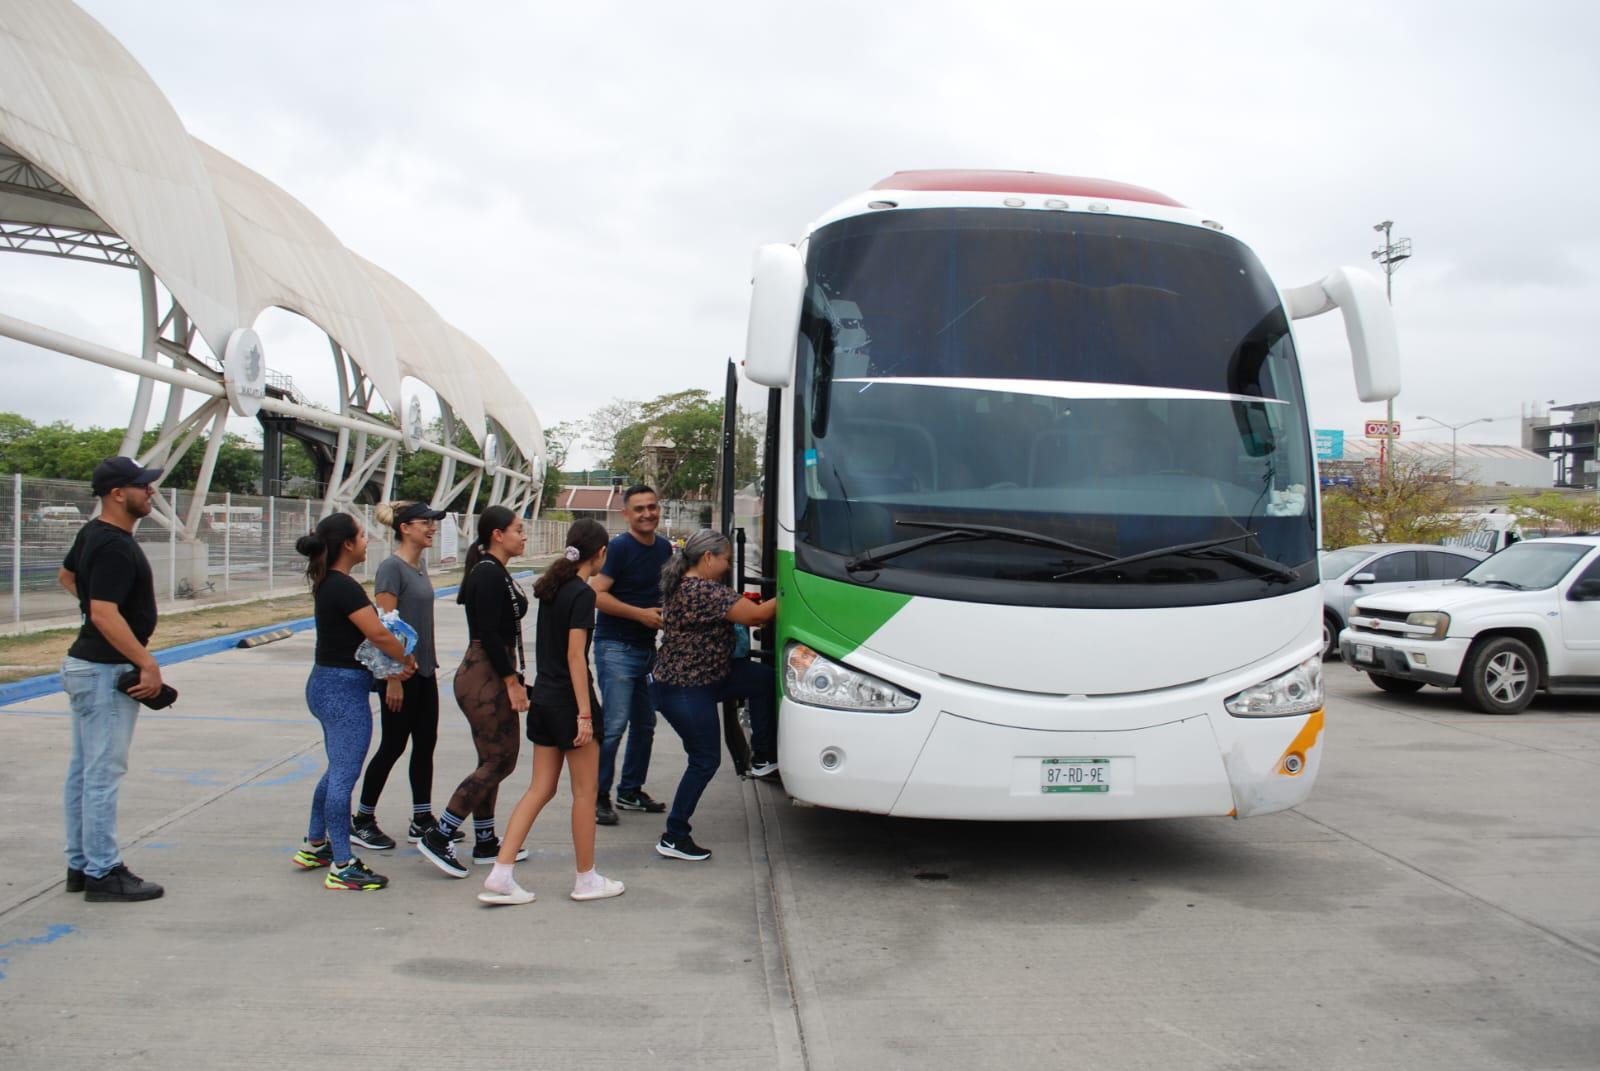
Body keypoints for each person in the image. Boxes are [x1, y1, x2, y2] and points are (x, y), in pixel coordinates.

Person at [481, 519, 624, 905]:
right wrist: (584, 715)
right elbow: (576, 658)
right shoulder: (582, 594)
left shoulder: (552, 589)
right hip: (568, 703)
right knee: (585, 792)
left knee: (539, 788)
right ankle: (586, 878)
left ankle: (501, 872)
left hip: (544, 699)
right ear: (600, 554)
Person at [56, 456, 166, 902]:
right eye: (143, 486)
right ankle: (103, 872)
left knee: (85, 770)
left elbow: (69, 576)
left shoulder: (93, 535)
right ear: (118, 493)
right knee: (103, 772)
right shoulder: (115, 544)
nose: (151, 493)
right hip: (104, 670)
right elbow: (102, 612)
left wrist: (102, 611)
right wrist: (146, 662)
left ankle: (81, 864)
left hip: (89, 665)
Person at [292, 512, 414, 891]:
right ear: (347, 544)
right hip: (342, 691)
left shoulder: (329, 582)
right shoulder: (343, 587)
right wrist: (404, 659)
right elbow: (376, 632)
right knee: (344, 776)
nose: (366, 541)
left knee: (336, 770)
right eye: (361, 536)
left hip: (327, 685)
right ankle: (343, 864)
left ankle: (316, 844)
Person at [649, 529, 778, 862]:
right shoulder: (701, 590)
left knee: (763, 679)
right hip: (685, 690)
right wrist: (795, 589)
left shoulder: (690, 586)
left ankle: (762, 756)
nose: (727, 567)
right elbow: (759, 617)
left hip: (711, 676)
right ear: (708, 558)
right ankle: (674, 835)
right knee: (705, 760)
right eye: (726, 560)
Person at [417, 506, 532, 877]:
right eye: (518, 529)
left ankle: (486, 840)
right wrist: (511, 681)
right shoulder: (487, 574)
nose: (524, 534)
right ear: (497, 534)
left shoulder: (494, 570)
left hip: (490, 672)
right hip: (486, 674)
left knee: (491, 758)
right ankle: (441, 833)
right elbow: (489, 632)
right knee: (501, 760)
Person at [349, 501, 450, 853]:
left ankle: (421, 819)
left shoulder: (419, 567)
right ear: (405, 527)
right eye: (426, 523)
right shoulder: (391, 569)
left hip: (423, 670)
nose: (432, 529)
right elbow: (384, 625)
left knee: (425, 744)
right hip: (400, 675)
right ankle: (362, 819)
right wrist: (391, 676)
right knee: (393, 746)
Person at [591, 484, 674, 826]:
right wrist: (640, 614)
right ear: (626, 514)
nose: (647, 514)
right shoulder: (619, 548)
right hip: (615, 648)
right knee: (613, 726)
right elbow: (596, 594)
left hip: (645, 650)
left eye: (652, 507)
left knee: (645, 724)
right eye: (639, 509)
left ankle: (630, 790)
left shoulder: (665, 547)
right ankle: (598, 795)